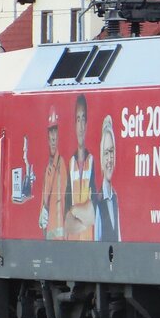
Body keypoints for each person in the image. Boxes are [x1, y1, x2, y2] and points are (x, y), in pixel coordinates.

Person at [64, 93, 97, 240]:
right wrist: (84, 216)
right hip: (72, 247)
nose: (81, 125)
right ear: (74, 125)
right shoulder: (70, 165)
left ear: (88, 123)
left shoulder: (93, 162)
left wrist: (74, 210)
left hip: (91, 243)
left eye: (84, 119)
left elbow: (92, 214)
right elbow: (67, 222)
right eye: (78, 119)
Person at [39, 106, 67, 239]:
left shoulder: (61, 165)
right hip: (49, 237)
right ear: (47, 135)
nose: (53, 137)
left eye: (56, 131)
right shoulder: (48, 170)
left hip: (59, 239)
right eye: (51, 131)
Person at [94, 115, 120, 241]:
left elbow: (119, 238)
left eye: (111, 151)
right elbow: (96, 244)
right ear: (101, 159)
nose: (109, 159)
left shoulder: (115, 197)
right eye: (106, 153)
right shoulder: (98, 201)